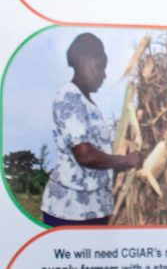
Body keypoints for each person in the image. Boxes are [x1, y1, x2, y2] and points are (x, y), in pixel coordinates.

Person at [40, 32, 144, 226]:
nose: (103, 74)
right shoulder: (69, 96)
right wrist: (126, 160)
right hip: (71, 213)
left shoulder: (88, 104)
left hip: (94, 209)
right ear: (83, 61)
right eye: (99, 67)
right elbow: (85, 154)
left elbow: (97, 148)